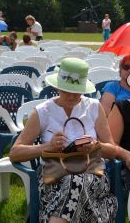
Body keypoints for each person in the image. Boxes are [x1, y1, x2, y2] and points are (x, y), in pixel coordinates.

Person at [9, 58, 123, 222]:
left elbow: (112, 150)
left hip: (92, 175)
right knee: (74, 182)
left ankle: (54, 219)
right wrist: (49, 147)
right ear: (57, 87)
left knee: (76, 181)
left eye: (77, 91)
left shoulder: (93, 107)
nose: (72, 96)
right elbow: (14, 153)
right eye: (66, 90)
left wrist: (94, 146)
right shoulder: (43, 111)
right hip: (54, 178)